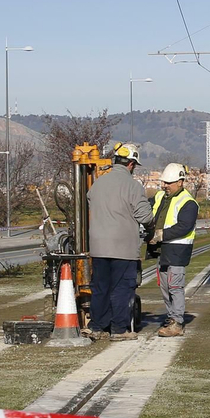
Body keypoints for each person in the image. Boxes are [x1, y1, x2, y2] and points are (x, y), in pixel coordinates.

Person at [87, 144, 154, 340]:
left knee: (100, 287)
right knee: (122, 288)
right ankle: (119, 329)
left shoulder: (98, 184)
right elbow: (145, 216)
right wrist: (150, 227)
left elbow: (90, 200)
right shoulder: (133, 186)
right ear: (131, 164)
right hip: (123, 247)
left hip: (99, 246)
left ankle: (97, 326)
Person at [148, 162, 199, 337]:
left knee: (175, 286)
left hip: (177, 251)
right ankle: (171, 317)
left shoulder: (188, 203)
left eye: (168, 183)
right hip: (163, 251)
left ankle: (177, 322)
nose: (165, 186)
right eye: (164, 182)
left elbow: (185, 226)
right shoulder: (160, 197)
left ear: (180, 182)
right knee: (164, 286)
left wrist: (161, 234)